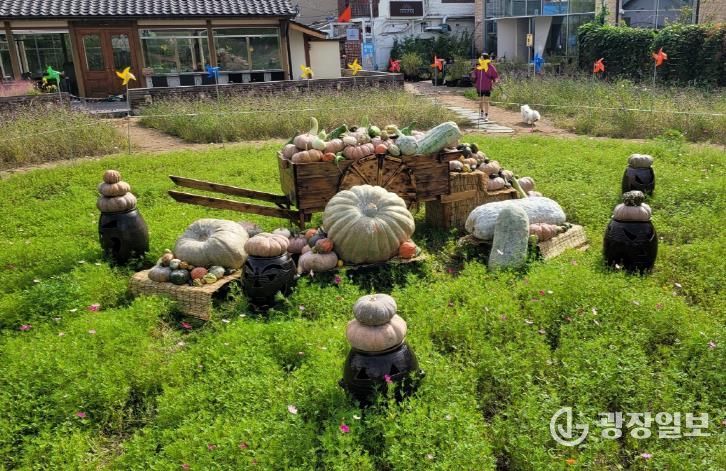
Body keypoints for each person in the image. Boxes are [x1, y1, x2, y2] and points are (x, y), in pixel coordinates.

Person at [471, 53, 499, 123]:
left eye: (482, 58)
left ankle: (486, 115)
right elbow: (474, 75)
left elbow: (495, 76)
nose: (481, 59)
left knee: (486, 101)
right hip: (479, 86)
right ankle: (481, 113)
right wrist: (473, 76)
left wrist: (495, 81)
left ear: (486, 58)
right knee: (480, 101)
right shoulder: (478, 67)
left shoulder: (490, 67)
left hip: (487, 86)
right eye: (480, 58)